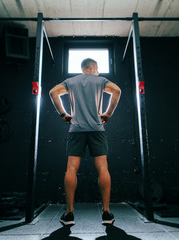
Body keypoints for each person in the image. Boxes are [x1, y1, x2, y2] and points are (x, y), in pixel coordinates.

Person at [49, 58, 121, 226]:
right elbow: (117, 90)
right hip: (97, 129)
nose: (98, 71)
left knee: (71, 168)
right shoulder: (100, 80)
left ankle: (69, 215)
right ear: (92, 67)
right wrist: (108, 113)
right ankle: (106, 213)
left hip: (76, 130)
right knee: (103, 167)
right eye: (97, 68)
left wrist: (63, 114)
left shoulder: (70, 81)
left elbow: (53, 92)